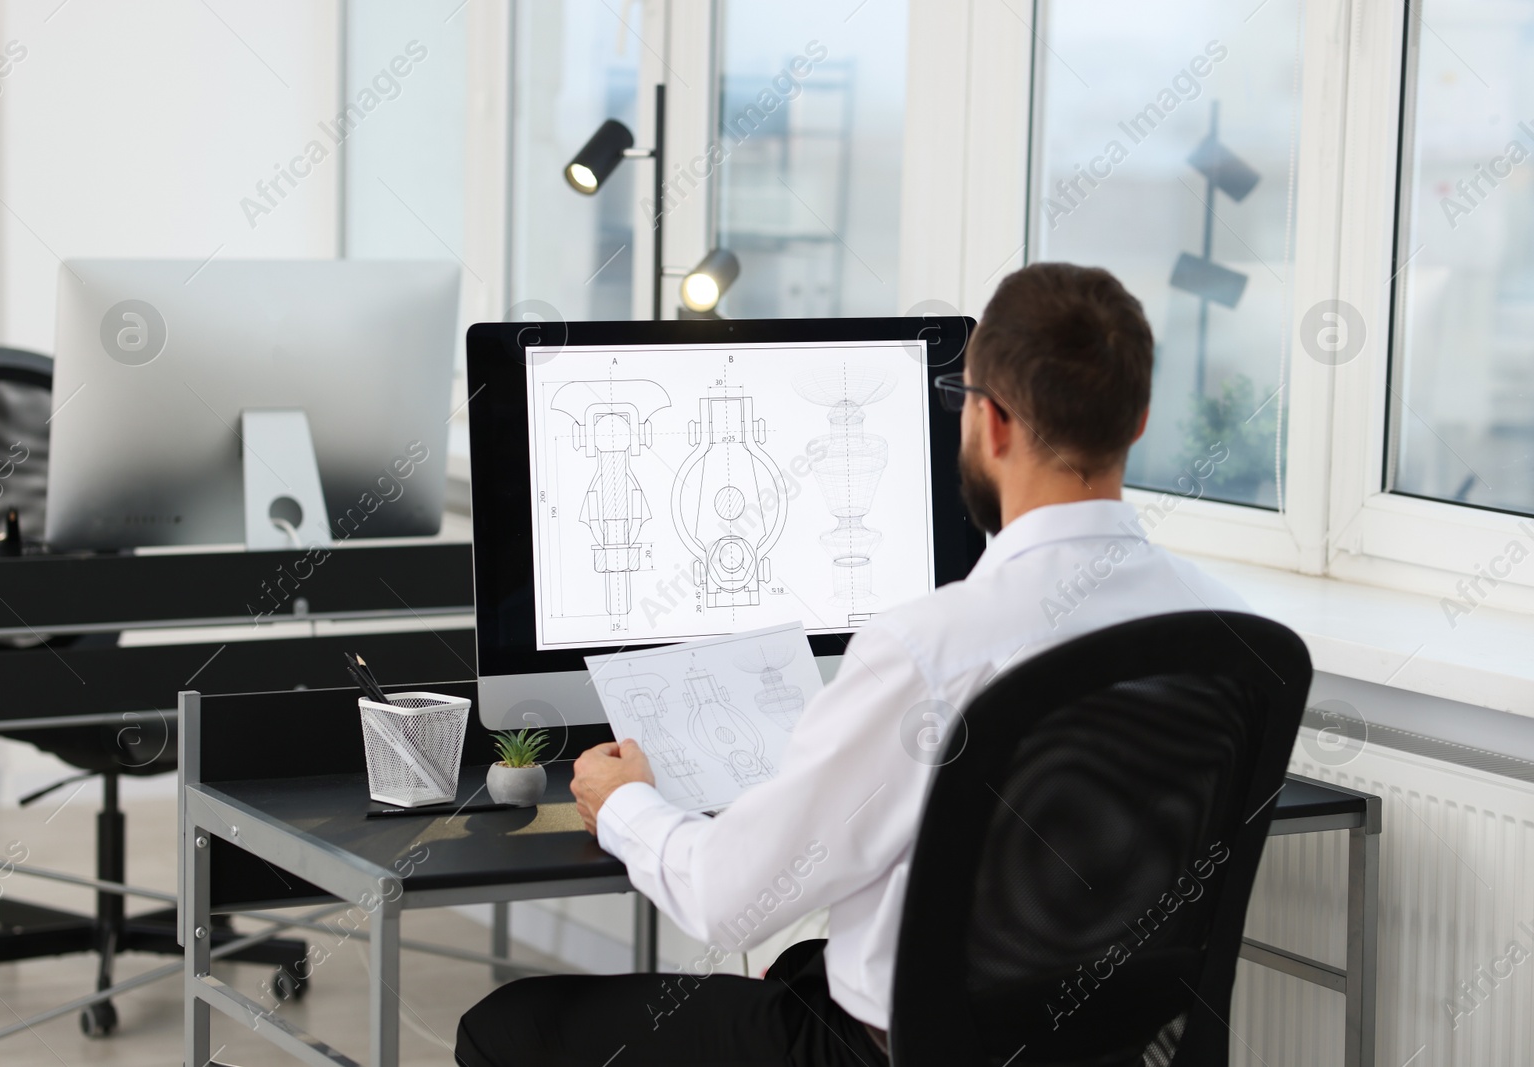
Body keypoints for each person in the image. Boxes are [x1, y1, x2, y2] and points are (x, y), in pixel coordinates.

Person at [454, 262, 1248, 1067]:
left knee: (511, 1024)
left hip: (892, 1053)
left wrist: (626, 805)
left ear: (995, 424)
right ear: (1138, 421)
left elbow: (728, 898)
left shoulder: (930, 646)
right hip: (1108, 1047)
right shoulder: (1239, 632)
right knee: (805, 967)